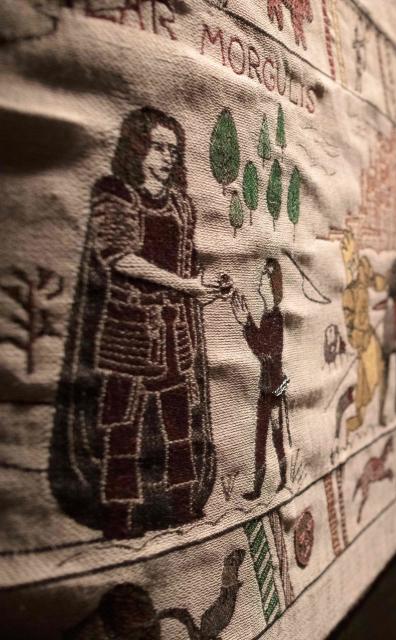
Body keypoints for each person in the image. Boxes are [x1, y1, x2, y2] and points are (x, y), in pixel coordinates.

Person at [49, 107, 220, 539]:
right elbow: (120, 258)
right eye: (157, 147)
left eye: (173, 151)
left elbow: (186, 264)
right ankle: (120, 519)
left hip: (172, 333)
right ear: (136, 148)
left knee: (180, 424)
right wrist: (186, 285)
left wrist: (204, 286)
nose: (166, 158)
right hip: (127, 332)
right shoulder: (115, 194)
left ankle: (183, 508)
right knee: (121, 429)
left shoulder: (181, 205)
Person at [231, 258, 290, 500]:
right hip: (267, 389)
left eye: (265, 276)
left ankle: (283, 480)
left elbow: (265, 351)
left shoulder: (275, 318)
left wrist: (246, 323)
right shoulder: (267, 317)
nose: (260, 280)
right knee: (260, 438)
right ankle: (258, 488)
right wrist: (248, 322)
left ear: (274, 287)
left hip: (274, 391)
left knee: (274, 439)